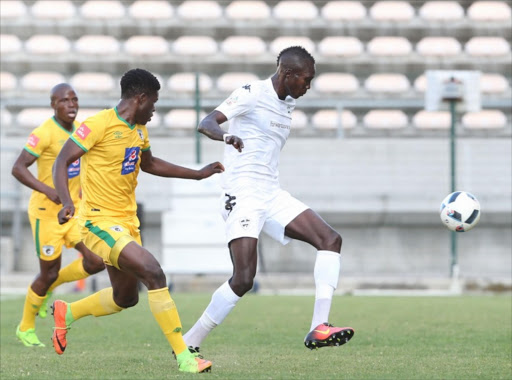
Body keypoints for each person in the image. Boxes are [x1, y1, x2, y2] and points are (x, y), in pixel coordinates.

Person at [183, 46, 355, 352]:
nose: (308, 86)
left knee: (330, 239)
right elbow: (206, 122)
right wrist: (225, 136)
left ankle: (319, 326)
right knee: (244, 278)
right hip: (242, 192)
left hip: (271, 193)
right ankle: (190, 341)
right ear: (288, 74)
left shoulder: (286, 104)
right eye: (305, 79)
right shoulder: (251, 93)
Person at [52, 68, 224, 373]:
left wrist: (197, 174)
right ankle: (185, 356)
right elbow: (62, 160)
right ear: (140, 98)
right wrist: (67, 201)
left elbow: (150, 163)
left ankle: (69, 311)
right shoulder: (98, 125)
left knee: (125, 298)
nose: (154, 111)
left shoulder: (140, 131)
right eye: (154, 104)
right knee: (154, 273)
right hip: (98, 223)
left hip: (127, 223)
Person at [12, 83, 105, 348]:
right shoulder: (44, 133)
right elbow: (18, 168)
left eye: (75, 100)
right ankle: (25, 326)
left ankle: (53, 287)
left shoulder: (78, 132)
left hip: (73, 211)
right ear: (53, 104)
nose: (72, 105)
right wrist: (49, 191)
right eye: (65, 101)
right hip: (46, 214)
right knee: (47, 272)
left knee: (97, 260)